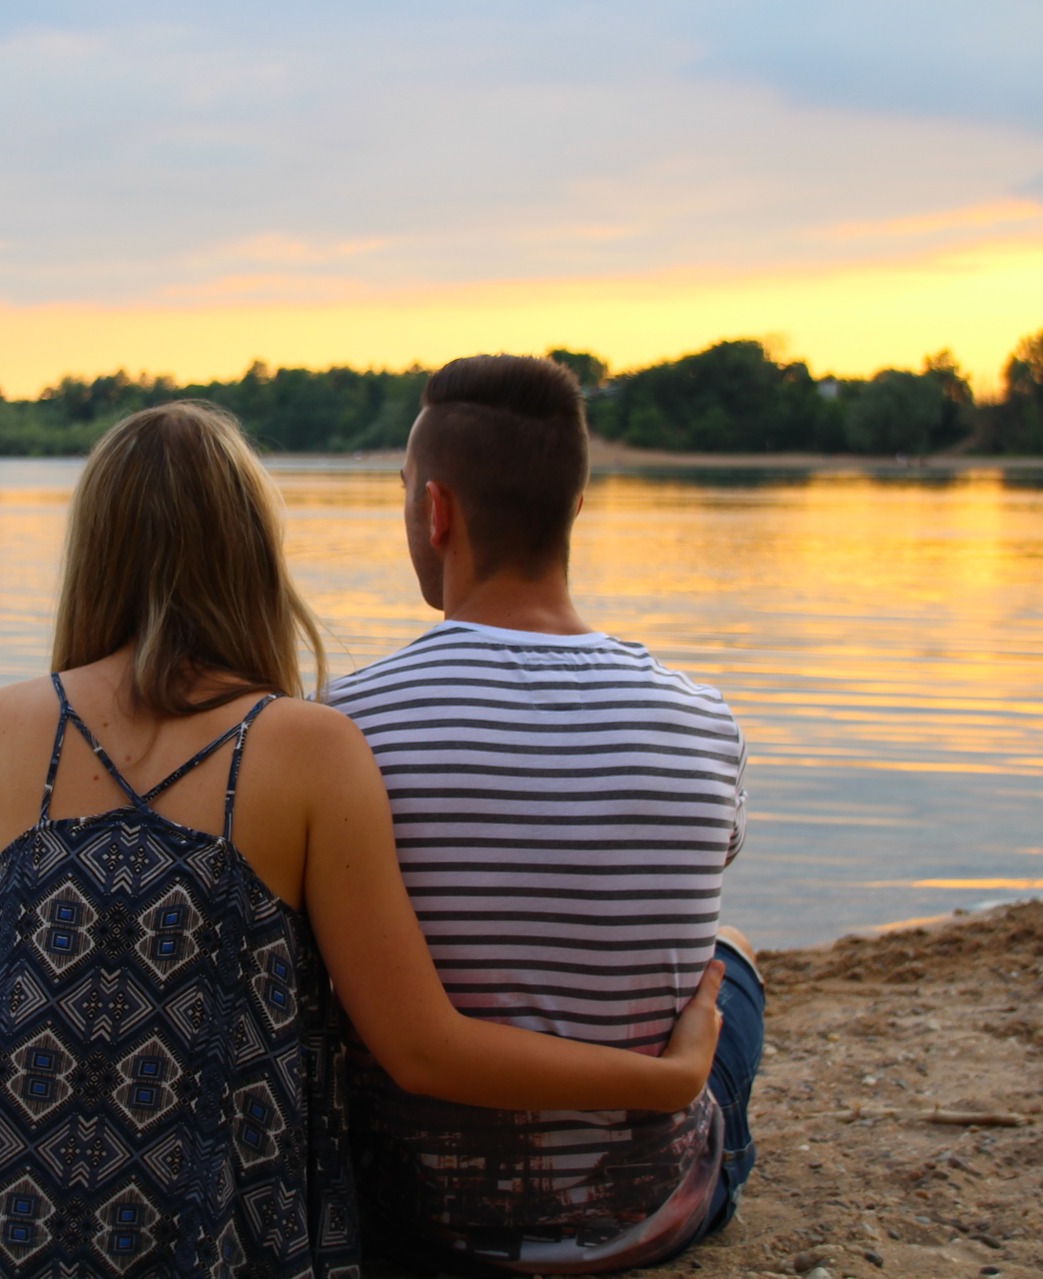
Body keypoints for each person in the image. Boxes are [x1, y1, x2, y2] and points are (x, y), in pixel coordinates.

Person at [0, 401, 726, 1279]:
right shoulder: (308, 745)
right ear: (255, 551)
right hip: (196, 1229)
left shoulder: (0, 722)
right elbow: (421, 1046)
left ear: (90, 550)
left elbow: (2, 958)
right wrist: (668, 1080)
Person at [325, 354, 763, 1275]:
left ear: (436, 511)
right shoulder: (704, 719)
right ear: (575, 507)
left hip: (409, 1220)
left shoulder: (347, 722)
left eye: (404, 492)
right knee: (734, 959)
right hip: (646, 1216)